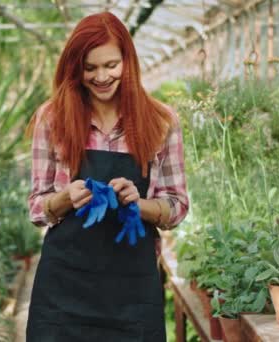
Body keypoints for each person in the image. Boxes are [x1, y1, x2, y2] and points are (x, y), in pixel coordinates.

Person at [26, 11, 189, 342]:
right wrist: (64, 198)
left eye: (111, 65)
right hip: (64, 293)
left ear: (128, 62)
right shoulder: (53, 118)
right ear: (76, 67)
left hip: (132, 292)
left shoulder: (160, 122)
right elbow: (36, 208)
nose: (101, 76)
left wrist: (138, 204)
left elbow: (177, 206)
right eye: (90, 67)